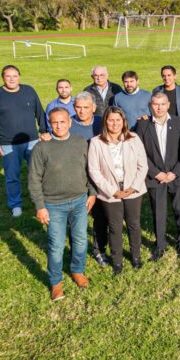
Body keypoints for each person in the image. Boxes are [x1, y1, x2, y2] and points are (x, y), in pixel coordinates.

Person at [28, 107, 97, 301]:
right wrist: (40, 206)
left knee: (80, 239)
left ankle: (77, 270)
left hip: (79, 201)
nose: (59, 126)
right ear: (50, 124)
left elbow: (89, 169)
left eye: (62, 122)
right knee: (56, 245)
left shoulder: (80, 142)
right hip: (53, 204)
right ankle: (56, 283)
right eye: (55, 122)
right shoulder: (41, 148)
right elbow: (34, 179)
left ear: (70, 122)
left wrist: (92, 193)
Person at [87, 107, 149, 274]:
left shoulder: (133, 139)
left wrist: (133, 187)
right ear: (105, 122)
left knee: (134, 224)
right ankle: (117, 262)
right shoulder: (96, 142)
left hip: (132, 190)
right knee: (115, 227)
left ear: (123, 122)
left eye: (118, 120)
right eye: (111, 120)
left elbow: (143, 166)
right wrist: (112, 191)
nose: (115, 124)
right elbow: (94, 171)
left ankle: (136, 257)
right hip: (110, 192)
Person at [0, 65, 49, 217]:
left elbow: (40, 112)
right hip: (8, 144)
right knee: (12, 177)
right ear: (3, 78)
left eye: (15, 76)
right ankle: (15, 205)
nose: (12, 79)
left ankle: (40, 201)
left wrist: (44, 131)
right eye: (8, 76)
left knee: (39, 173)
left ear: (19, 77)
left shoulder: (29, 90)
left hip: (33, 141)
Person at [135, 92, 180, 262]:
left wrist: (175, 172)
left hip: (175, 176)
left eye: (162, 104)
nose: (159, 108)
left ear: (168, 105)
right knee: (158, 213)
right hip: (155, 177)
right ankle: (160, 246)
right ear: (150, 106)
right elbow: (140, 153)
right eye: (155, 104)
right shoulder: (143, 125)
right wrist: (155, 173)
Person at [71, 92, 107, 267]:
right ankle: (76, 253)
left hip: (99, 176)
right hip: (77, 178)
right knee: (77, 219)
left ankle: (100, 249)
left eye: (86, 107)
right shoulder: (68, 124)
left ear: (93, 107)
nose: (82, 111)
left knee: (100, 217)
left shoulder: (102, 122)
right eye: (78, 107)